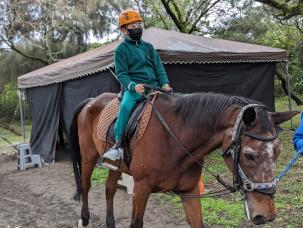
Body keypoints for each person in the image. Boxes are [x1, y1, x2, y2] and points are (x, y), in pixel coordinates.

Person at [103, 9, 172, 161]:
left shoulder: (148, 47)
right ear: (124, 29)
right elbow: (121, 74)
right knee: (126, 106)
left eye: (139, 24)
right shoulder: (121, 50)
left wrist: (164, 83)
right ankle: (118, 145)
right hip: (135, 89)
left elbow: (158, 67)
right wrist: (133, 85)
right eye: (133, 25)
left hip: (154, 87)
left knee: (173, 104)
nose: (138, 28)